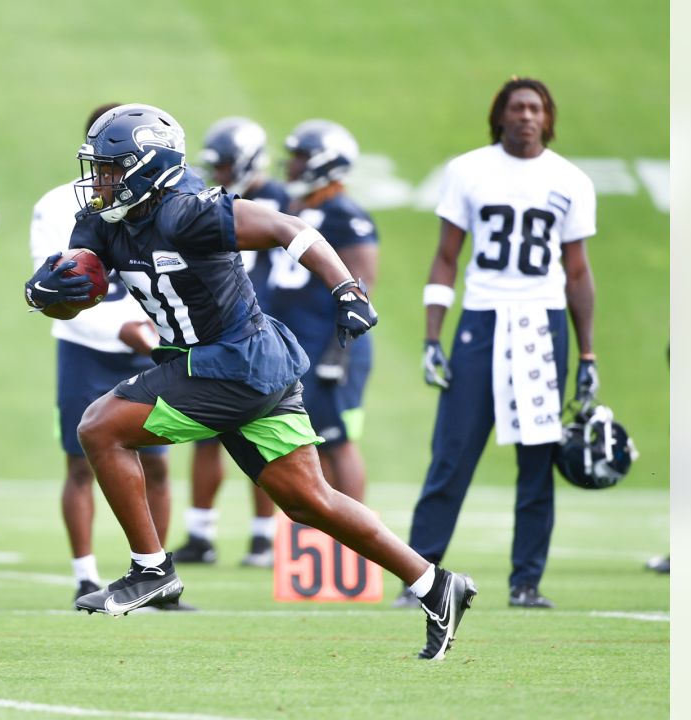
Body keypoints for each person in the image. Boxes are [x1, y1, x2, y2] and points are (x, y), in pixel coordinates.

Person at [24, 104, 475, 660]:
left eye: (113, 168)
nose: (101, 180)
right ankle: (435, 584)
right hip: (232, 366)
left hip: (233, 361)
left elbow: (291, 228)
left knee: (99, 427)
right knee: (310, 501)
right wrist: (49, 294)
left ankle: (152, 568)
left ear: (147, 168)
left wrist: (348, 290)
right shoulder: (102, 220)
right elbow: (79, 289)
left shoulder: (188, 211)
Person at [395, 77, 598, 611]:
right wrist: (432, 335)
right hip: (481, 321)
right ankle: (418, 577)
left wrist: (589, 354)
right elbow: (446, 257)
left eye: (535, 108)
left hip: (541, 323)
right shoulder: (469, 170)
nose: (527, 116)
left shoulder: (570, 180)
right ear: (500, 116)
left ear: (547, 117)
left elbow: (577, 273)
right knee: (452, 452)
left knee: (538, 459)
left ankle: (526, 582)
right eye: (517, 107)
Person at [31, 103, 179, 604]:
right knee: (79, 461)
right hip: (87, 347)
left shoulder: (166, 206)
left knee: (156, 464)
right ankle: (85, 574)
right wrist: (124, 328)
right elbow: (58, 289)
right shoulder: (58, 206)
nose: (100, 172)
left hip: (148, 345)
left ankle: (157, 574)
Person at [171, 117, 287, 568]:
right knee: (205, 437)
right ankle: (201, 533)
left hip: (260, 328)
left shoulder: (277, 202)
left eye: (225, 165)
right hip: (222, 328)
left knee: (263, 436)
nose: (219, 174)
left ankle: (263, 537)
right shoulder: (211, 201)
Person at [269, 119, 378, 503]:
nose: (293, 165)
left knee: (337, 440)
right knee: (307, 442)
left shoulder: (344, 213)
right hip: (299, 345)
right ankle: (324, 539)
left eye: (302, 156)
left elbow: (361, 289)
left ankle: (356, 542)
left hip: (331, 345)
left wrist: (338, 353)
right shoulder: (294, 207)